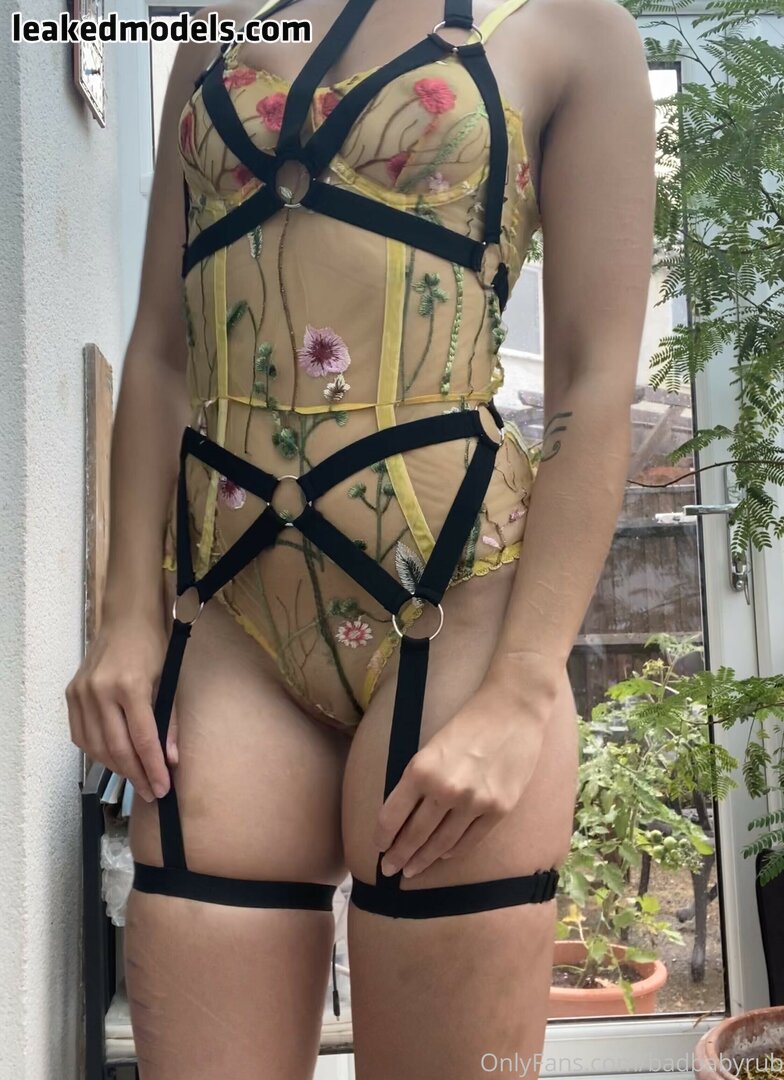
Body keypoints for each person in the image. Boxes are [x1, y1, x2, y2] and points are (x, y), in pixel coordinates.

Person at [65, 0, 656, 1076]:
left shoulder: (575, 29)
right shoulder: (213, 32)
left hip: (461, 616)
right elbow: (160, 351)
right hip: (233, 620)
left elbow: (593, 379)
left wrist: (526, 686)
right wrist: (125, 615)